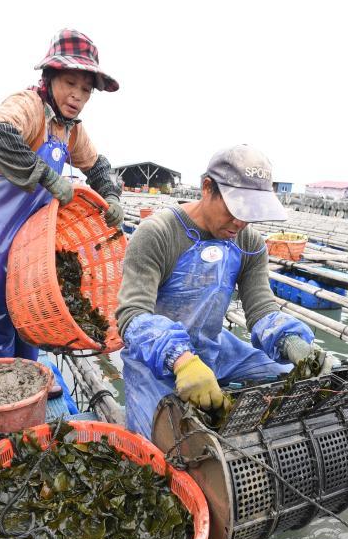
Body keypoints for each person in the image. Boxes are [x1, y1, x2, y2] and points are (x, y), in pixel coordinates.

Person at [116, 144, 335, 438]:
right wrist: (182, 360)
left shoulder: (249, 243)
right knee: (167, 442)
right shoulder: (158, 233)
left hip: (214, 349)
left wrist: (294, 344)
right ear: (208, 188)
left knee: (292, 383)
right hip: (153, 360)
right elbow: (132, 315)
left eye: (250, 212)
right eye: (235, 208)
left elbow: (261, 309)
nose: (240, 222)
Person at [0, 29, 124, 361]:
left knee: (27, 312)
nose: (77, 95)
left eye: (85, 89)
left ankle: (29, 375)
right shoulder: (29, 106)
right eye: (70, 83)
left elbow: (98, 165)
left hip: (26, 240)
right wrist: (47, 176)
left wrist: (111, 195)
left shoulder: (69, 128)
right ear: (50, 77)